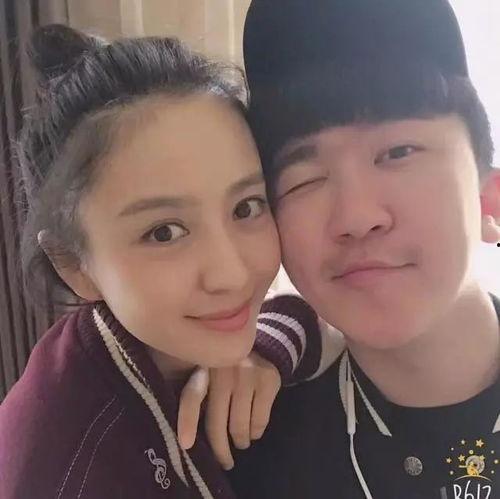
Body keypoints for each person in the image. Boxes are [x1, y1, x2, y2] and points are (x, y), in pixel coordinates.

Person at [0, 25, 321, 499]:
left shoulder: (170, 341)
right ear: (74, 265)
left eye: (246, 207)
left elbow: (306, 321)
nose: (231, 274)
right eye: (164, 232)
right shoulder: (66, 468)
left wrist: (262, 352)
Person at [226, 1, 500, 498]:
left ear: (489, 200)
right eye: (303, 180)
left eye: (398, 153)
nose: (355, 217)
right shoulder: (247, 449)